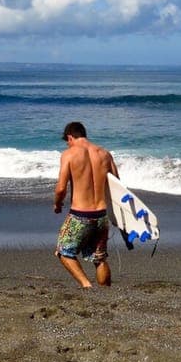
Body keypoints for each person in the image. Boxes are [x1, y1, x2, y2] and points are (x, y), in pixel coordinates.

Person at [53, 122, 118, 288]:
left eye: (67, 141)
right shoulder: (105, 154)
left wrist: (58, 205)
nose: (67, 144)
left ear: (70, 137)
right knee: (99, 257)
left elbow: (61, 188)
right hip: (102, 215)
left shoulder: (69, 154)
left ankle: (86, 286)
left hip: (80, 215)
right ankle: (106, 292)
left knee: (63, 251)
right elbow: (117, 185)